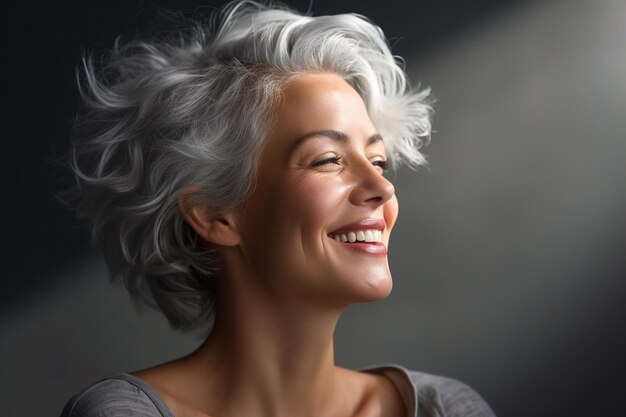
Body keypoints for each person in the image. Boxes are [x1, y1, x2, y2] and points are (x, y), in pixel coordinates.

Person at [60, 1, 496, 416]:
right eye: (328, 159)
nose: (380, 187)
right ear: (214, 213)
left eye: (378, 161)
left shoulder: (445, 407)